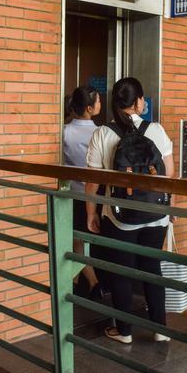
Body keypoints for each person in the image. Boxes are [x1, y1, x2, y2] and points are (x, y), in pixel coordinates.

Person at [84, 77, 175, 344]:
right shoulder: (156, 130)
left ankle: (124, 331)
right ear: (138, 102)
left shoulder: (103, 133)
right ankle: (161, 329)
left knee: (122, 273)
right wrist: (170, 207)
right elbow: (169, 174)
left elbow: (92, 182)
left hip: (119, 217)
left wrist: (91, 213)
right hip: (156, 216)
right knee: (152, 269)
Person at [62, 86, 102, 299]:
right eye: (98, 101)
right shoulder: (100, 132)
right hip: (95, 196)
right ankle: (90, 283)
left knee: (76, 240)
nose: (100, 104)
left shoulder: (64, 131)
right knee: (81, 241)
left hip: (72, 194)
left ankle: (79, 283)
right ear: (89, 108)